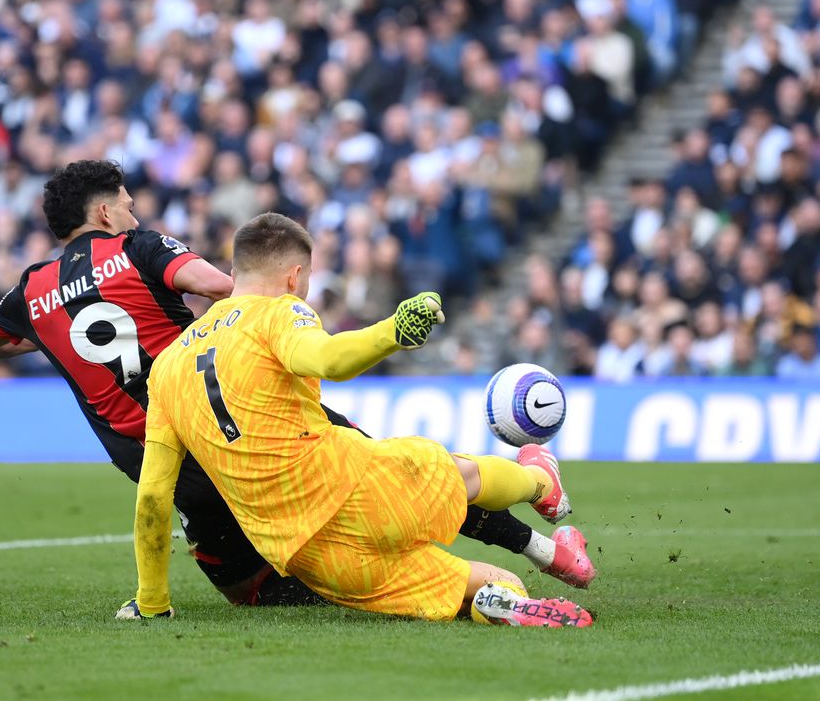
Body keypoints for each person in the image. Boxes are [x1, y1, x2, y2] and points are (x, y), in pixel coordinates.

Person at [0, 161, 593, 610]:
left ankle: (468, 565)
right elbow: (217, 285)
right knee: (411, 483)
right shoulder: (137, 247)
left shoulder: (33, 289)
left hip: (163, 447)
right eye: (127, 202)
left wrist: (43, 333)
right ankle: (538, 542)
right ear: (105, 211)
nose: (133, 211)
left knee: (249, 587)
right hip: (242, 406)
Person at [128, 213, 592, 627]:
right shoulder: (277, 312)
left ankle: (496, 601)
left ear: (233, 273)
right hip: (355, 486)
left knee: (482, 583)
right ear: (294, 277)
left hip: (304, 552)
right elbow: (328, 359)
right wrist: (393, 331)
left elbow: (152, 497)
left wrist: (152, 601)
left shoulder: (167, 367)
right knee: (462, 473)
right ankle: (539, 482)